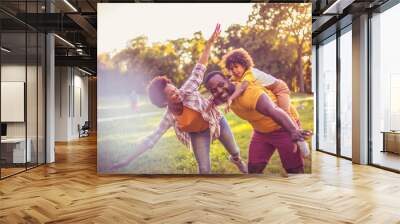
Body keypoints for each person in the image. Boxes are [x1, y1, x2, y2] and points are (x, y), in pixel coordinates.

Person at [111, 24, 247, 174]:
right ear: (164, 102)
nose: (178, 93)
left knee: (234, 150)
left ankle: (237, 160)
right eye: (172, 94)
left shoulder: (186, 90)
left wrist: (209, 43)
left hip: (215, 120)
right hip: (198, 134)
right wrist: (127, 160)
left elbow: (200, 67)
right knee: (204, 169)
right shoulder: (170, 117)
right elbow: (151, 139)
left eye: (174, 88)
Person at [204, 71, 311, 174]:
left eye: (221, 84)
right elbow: (214, 99)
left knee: (294, 171)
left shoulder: (249, 93)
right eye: (214, 90)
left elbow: (273, 110)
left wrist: (293, 131)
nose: (219, 91)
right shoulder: (224, 96)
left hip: (283, 126)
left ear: (228, 80)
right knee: (254, 169)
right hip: (261, 132)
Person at [220, 48, 310, 158]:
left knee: (285, 114)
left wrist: (231, 98)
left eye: (236, 67)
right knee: (282, 116)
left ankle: (300, 140)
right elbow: (229, 84)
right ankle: (294, 144)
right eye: (231, 68)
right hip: (270, 91)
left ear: (244, 64)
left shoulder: (249, 73)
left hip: (280, 89)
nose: (234, 71)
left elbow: (243, 86)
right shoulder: (236, 76)